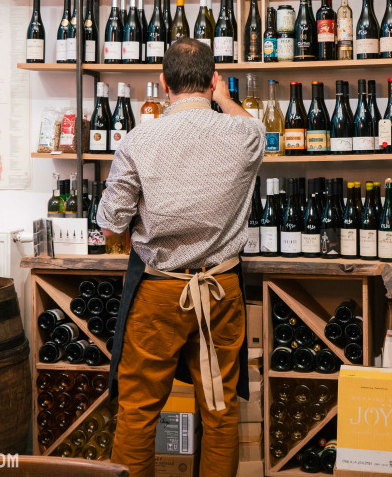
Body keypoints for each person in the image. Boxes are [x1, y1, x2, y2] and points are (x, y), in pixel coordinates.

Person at [97, 37, 266, 477]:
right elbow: (254, 127)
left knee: (137, 412)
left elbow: (111, 225)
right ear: (213, 80)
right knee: (220, 410)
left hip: (157, 292)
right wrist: (226, 99)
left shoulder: (138, 140)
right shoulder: (245, 134)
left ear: (162, 83)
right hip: (220, 290)